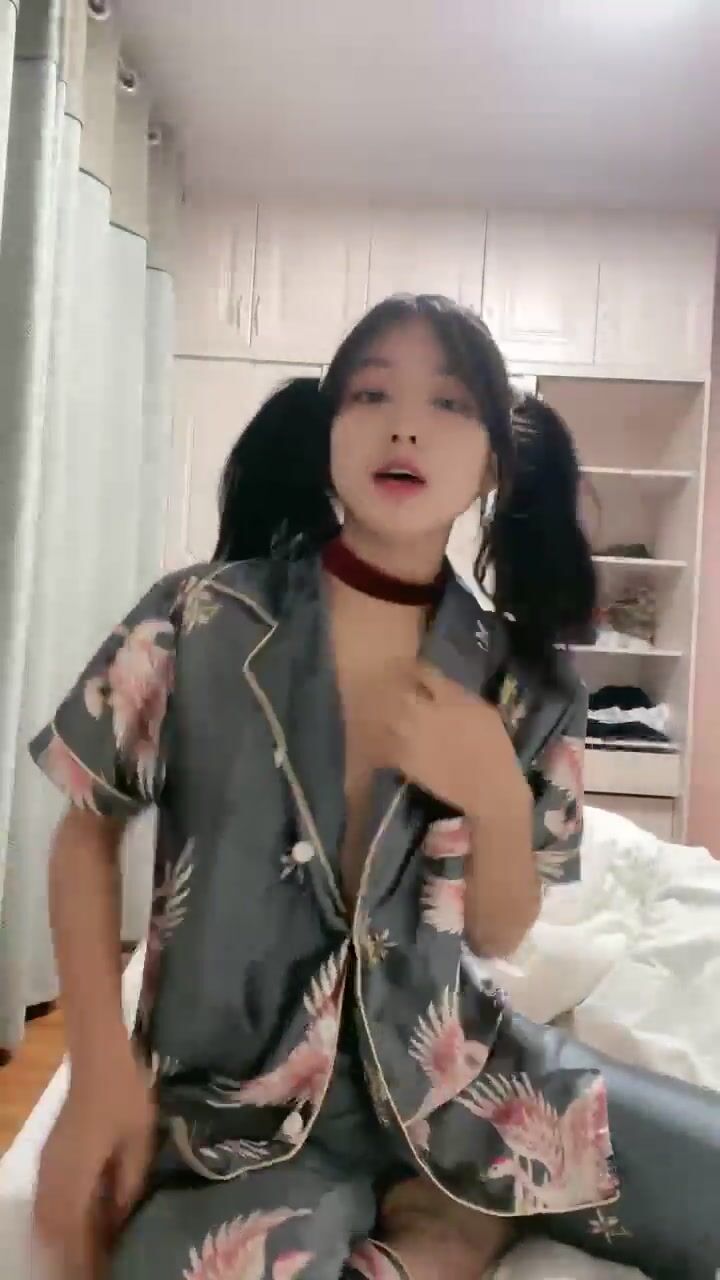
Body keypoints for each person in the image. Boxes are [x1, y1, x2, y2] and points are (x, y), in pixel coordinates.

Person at [30, 294, 603, 1279]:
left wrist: (495, 797)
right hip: (238, 1113)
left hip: (460, 1091)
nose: (406, 425)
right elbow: (88, 828)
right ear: (327, 430)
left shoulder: (532, 684)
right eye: (372, 394)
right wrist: (99, 1075)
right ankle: (432, 1240)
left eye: (449, 403)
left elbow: (498, 931)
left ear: (494, 466)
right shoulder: (198, 619)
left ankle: (445, 1220)